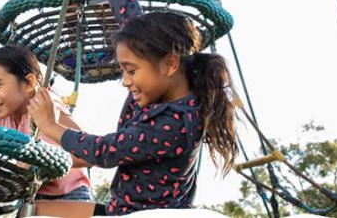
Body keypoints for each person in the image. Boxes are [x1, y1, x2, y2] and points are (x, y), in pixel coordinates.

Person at [26, 12, 239, 215]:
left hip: (140, 216)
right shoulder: (158, 93)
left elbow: (104, 151)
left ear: (170, 64)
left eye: (131, 70)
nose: (125, 81)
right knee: (29, 210)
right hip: (117, 209)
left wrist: (51, 126)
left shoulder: (175, 124)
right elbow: (131, 15)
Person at [0, 45, 93, 202]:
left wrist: (47, 162)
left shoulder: (46, 107)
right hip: (32, 193)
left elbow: (90, 154)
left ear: (28, 83)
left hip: (70, 193)